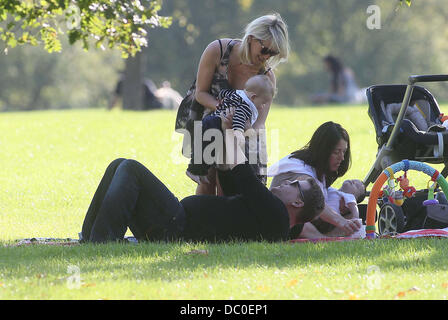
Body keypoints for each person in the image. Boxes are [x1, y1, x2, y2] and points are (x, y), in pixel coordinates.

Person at [80, 115, 325, 243]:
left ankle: (102, 240)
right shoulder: (265, 214)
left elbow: (243, 173)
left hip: (176, 225)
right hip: (173, 222)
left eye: (294, 185)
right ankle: (91, 236)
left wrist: (230, 130)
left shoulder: (277, 216)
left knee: (130, 168)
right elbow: (233, 178)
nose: (285, 182)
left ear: (298, 203)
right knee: (119, 165)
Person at [175, 13, 290, 196]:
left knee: (228, 182)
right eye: (265, 50)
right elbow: (201, 93)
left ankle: (224, 221)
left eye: (273, 53)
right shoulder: (218, 50)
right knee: (206, 178)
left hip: (241, 129)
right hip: (208, 114)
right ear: (251, 39)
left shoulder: (266, 78)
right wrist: (224, 109)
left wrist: (239, 132)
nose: (267, 57)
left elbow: (259, 123)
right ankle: (198, 221)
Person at [268, 121, 362, 238]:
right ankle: (324, 239)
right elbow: (315, 202)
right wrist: (341, 221)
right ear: (323, 151)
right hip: (284, 222)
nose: (342, 158)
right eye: (336, 152)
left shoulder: (317, 170)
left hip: (300, 220)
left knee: (362, 213)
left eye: (344, 151)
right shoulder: (301, 171)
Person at [186, 74, 275, 184]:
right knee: (206, 151)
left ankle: (200, 171)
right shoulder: (246, 107)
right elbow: (238, 119)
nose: (262, 107)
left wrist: (220, 97)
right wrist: (238, 133)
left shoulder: (237, 93)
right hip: (215, 126)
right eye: (263, 103)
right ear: (253, 97)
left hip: (210, 121)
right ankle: (193, 171)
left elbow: (224, 93)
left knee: (207, 152)